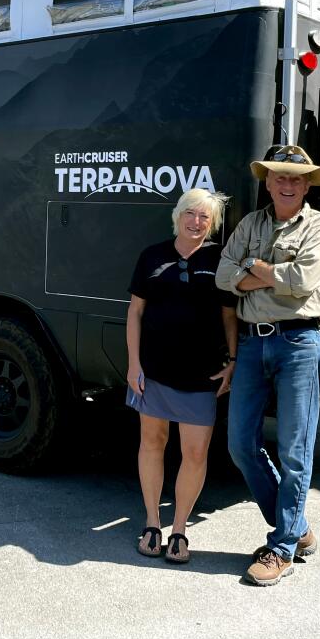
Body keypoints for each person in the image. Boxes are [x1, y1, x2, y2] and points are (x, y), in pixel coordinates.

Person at [215, 144, 320, 587]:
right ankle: (297, 525)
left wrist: (251, 270)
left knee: (294, 449)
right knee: (239, 445)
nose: (287, 184)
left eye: (296, 177)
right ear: (267, 182)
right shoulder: (251, 223)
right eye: (279, 176)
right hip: (253, 345)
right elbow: (222, 275)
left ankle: (282, 545)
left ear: (307, 185)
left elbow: (304, 280)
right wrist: (271, 271)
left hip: (301, 342)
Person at [126, 188, 238, 565]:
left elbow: (227, 315)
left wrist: (233, 360)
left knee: (194, 452)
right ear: (178, 216)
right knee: (152, 442)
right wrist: (133, 364)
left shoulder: (219, 259)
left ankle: (179, 530)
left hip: (200, 374)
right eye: (190, 214)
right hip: (154, 370)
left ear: (213, 223)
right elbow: (135, 313)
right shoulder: (152, 256)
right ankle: (152, 523)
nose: (196, 222)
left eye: (205, 217)